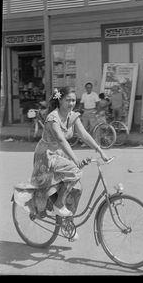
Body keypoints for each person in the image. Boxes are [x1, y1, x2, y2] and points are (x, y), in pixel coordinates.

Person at [30, 87, 110, 236]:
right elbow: (61, 140)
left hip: (60, 156)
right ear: (59, 100)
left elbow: (85, 135)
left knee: (76, 189)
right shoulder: (52, 118)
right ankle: (58, 205)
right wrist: (76, 160)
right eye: (68, 100)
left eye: (73, 100)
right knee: (75, 171)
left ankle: (67, 224)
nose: (71, 103)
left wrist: (100, 150)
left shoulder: (72, 116)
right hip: (46, 156)